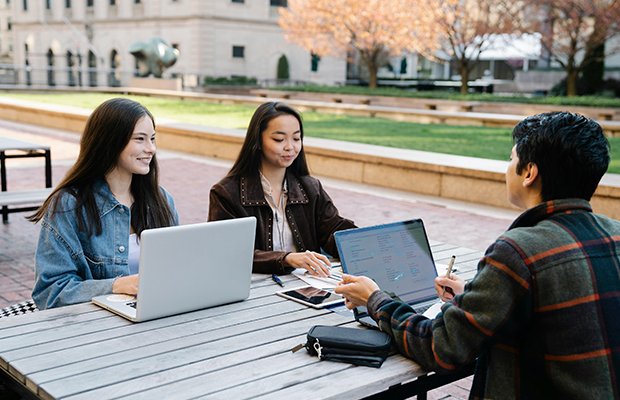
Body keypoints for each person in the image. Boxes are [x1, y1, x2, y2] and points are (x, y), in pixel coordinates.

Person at [335, 112, 620, 399]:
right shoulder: (615, 234)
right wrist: (474, 295)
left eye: (511, 159)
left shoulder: (517, 252)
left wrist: (375, 299)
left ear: (529, 172)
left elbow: (443, 348)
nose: (508, 168)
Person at [29, 98, 179, 309]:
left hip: (158, 315)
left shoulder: (162, 200)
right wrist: (117, 285)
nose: (151, 148)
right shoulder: (68, 205)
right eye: (140, 139)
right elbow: (51, 291)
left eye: (152, 139)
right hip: (97, 328)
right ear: (110, 142)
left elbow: (176, 271)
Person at [208, 102, 355, 276]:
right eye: (279, 139)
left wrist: (362, 241)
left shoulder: (310, 188)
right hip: (253, 289)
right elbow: (227, 252)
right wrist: (287, 258)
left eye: (296, 138)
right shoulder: (226, 193)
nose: (290, 147)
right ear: (258, 141)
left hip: (308, 287)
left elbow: (334, 230)